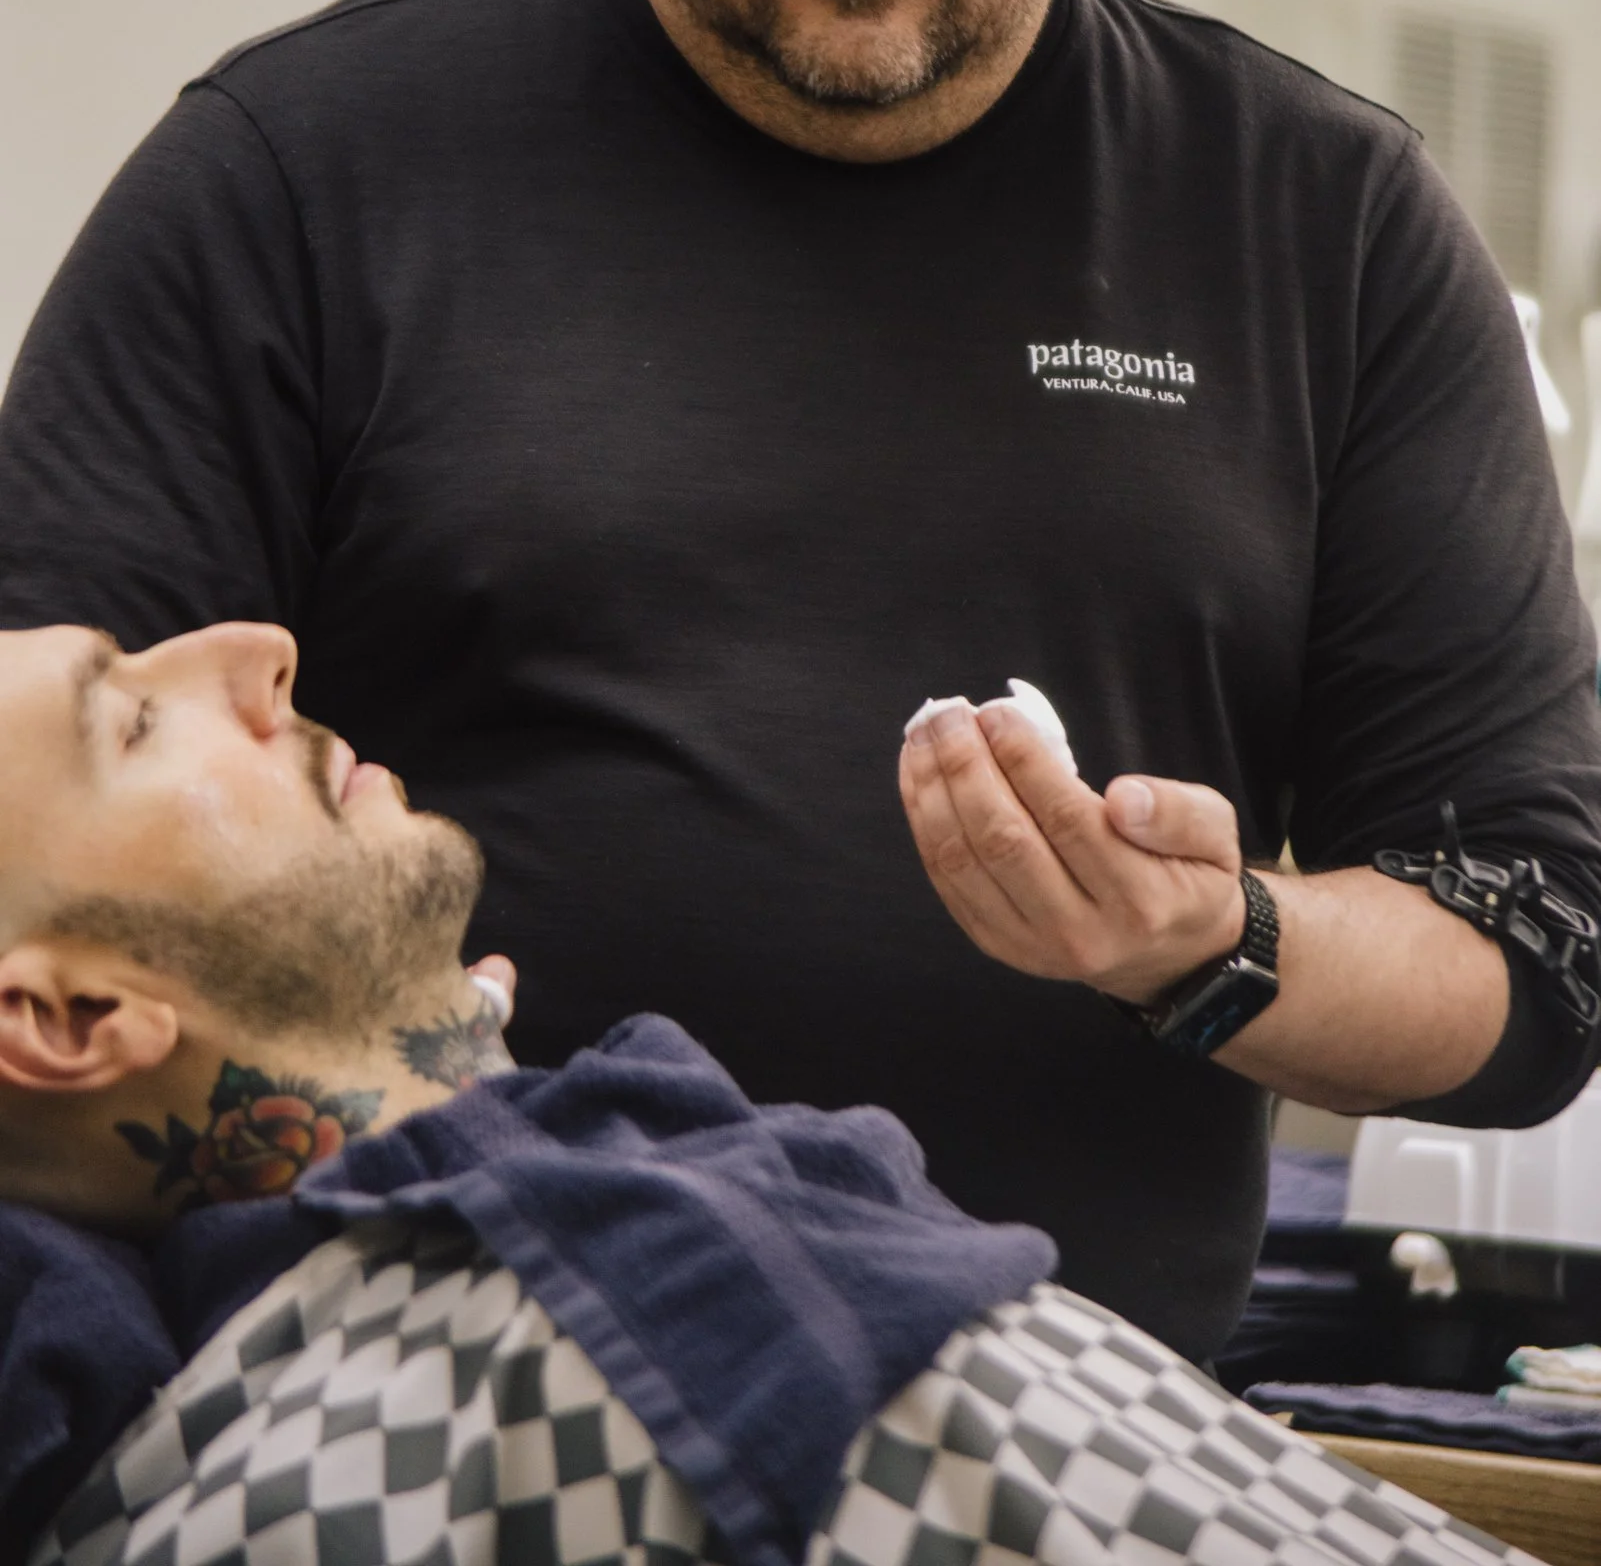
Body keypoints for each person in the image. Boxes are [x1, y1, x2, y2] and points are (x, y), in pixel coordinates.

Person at [2, 0, 1600, 1370]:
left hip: (1064, 1468)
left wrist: (1210, 942)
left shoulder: (1324, 224)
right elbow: (28, 882)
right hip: (426, 1441)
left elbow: (1533, 972)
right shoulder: (300, 180)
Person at [0, 619, 1553, 1566]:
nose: (256, 644)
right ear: (69, 1020)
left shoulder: (557, 1247)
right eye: (133, 718)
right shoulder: (514, 1378)